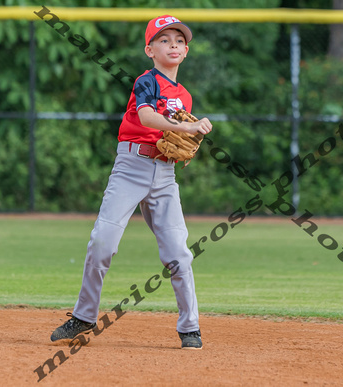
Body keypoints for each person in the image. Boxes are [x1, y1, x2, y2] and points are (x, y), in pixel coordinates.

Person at [50, 15, 212, 350]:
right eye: (164, 40)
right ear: (149, 49)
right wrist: (186, 129)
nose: (173, 46)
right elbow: (146, 116)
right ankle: (83, 315)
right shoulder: (146, 81)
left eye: (180, 41)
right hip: (131, 166)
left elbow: (170, 131)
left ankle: (190, 328)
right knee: (102, 242)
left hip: (164, 174)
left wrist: (182, 144)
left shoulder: (185, 97)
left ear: (186, 51)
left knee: (179, 254)